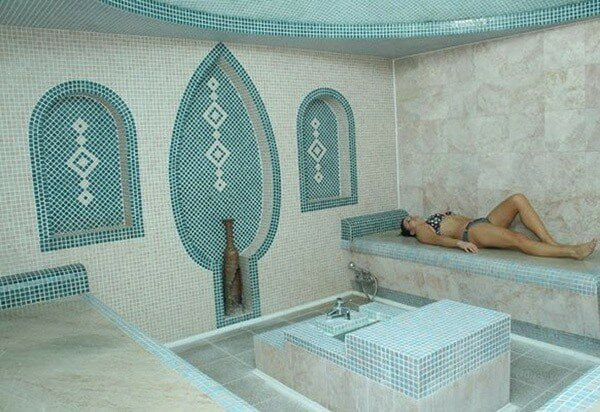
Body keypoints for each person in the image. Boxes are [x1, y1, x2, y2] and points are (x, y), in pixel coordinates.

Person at [400, 193, 597, 260]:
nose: (411, 218)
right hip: (472, 232)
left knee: (518, 199)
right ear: (411, 230)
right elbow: (437, 240)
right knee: (519, 240)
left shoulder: (431, 219)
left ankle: (552, 243)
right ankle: (571, 252)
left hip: (481, 222)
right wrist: (460, 244)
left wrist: (446, 215)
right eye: (408, 221)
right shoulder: (421, 231)